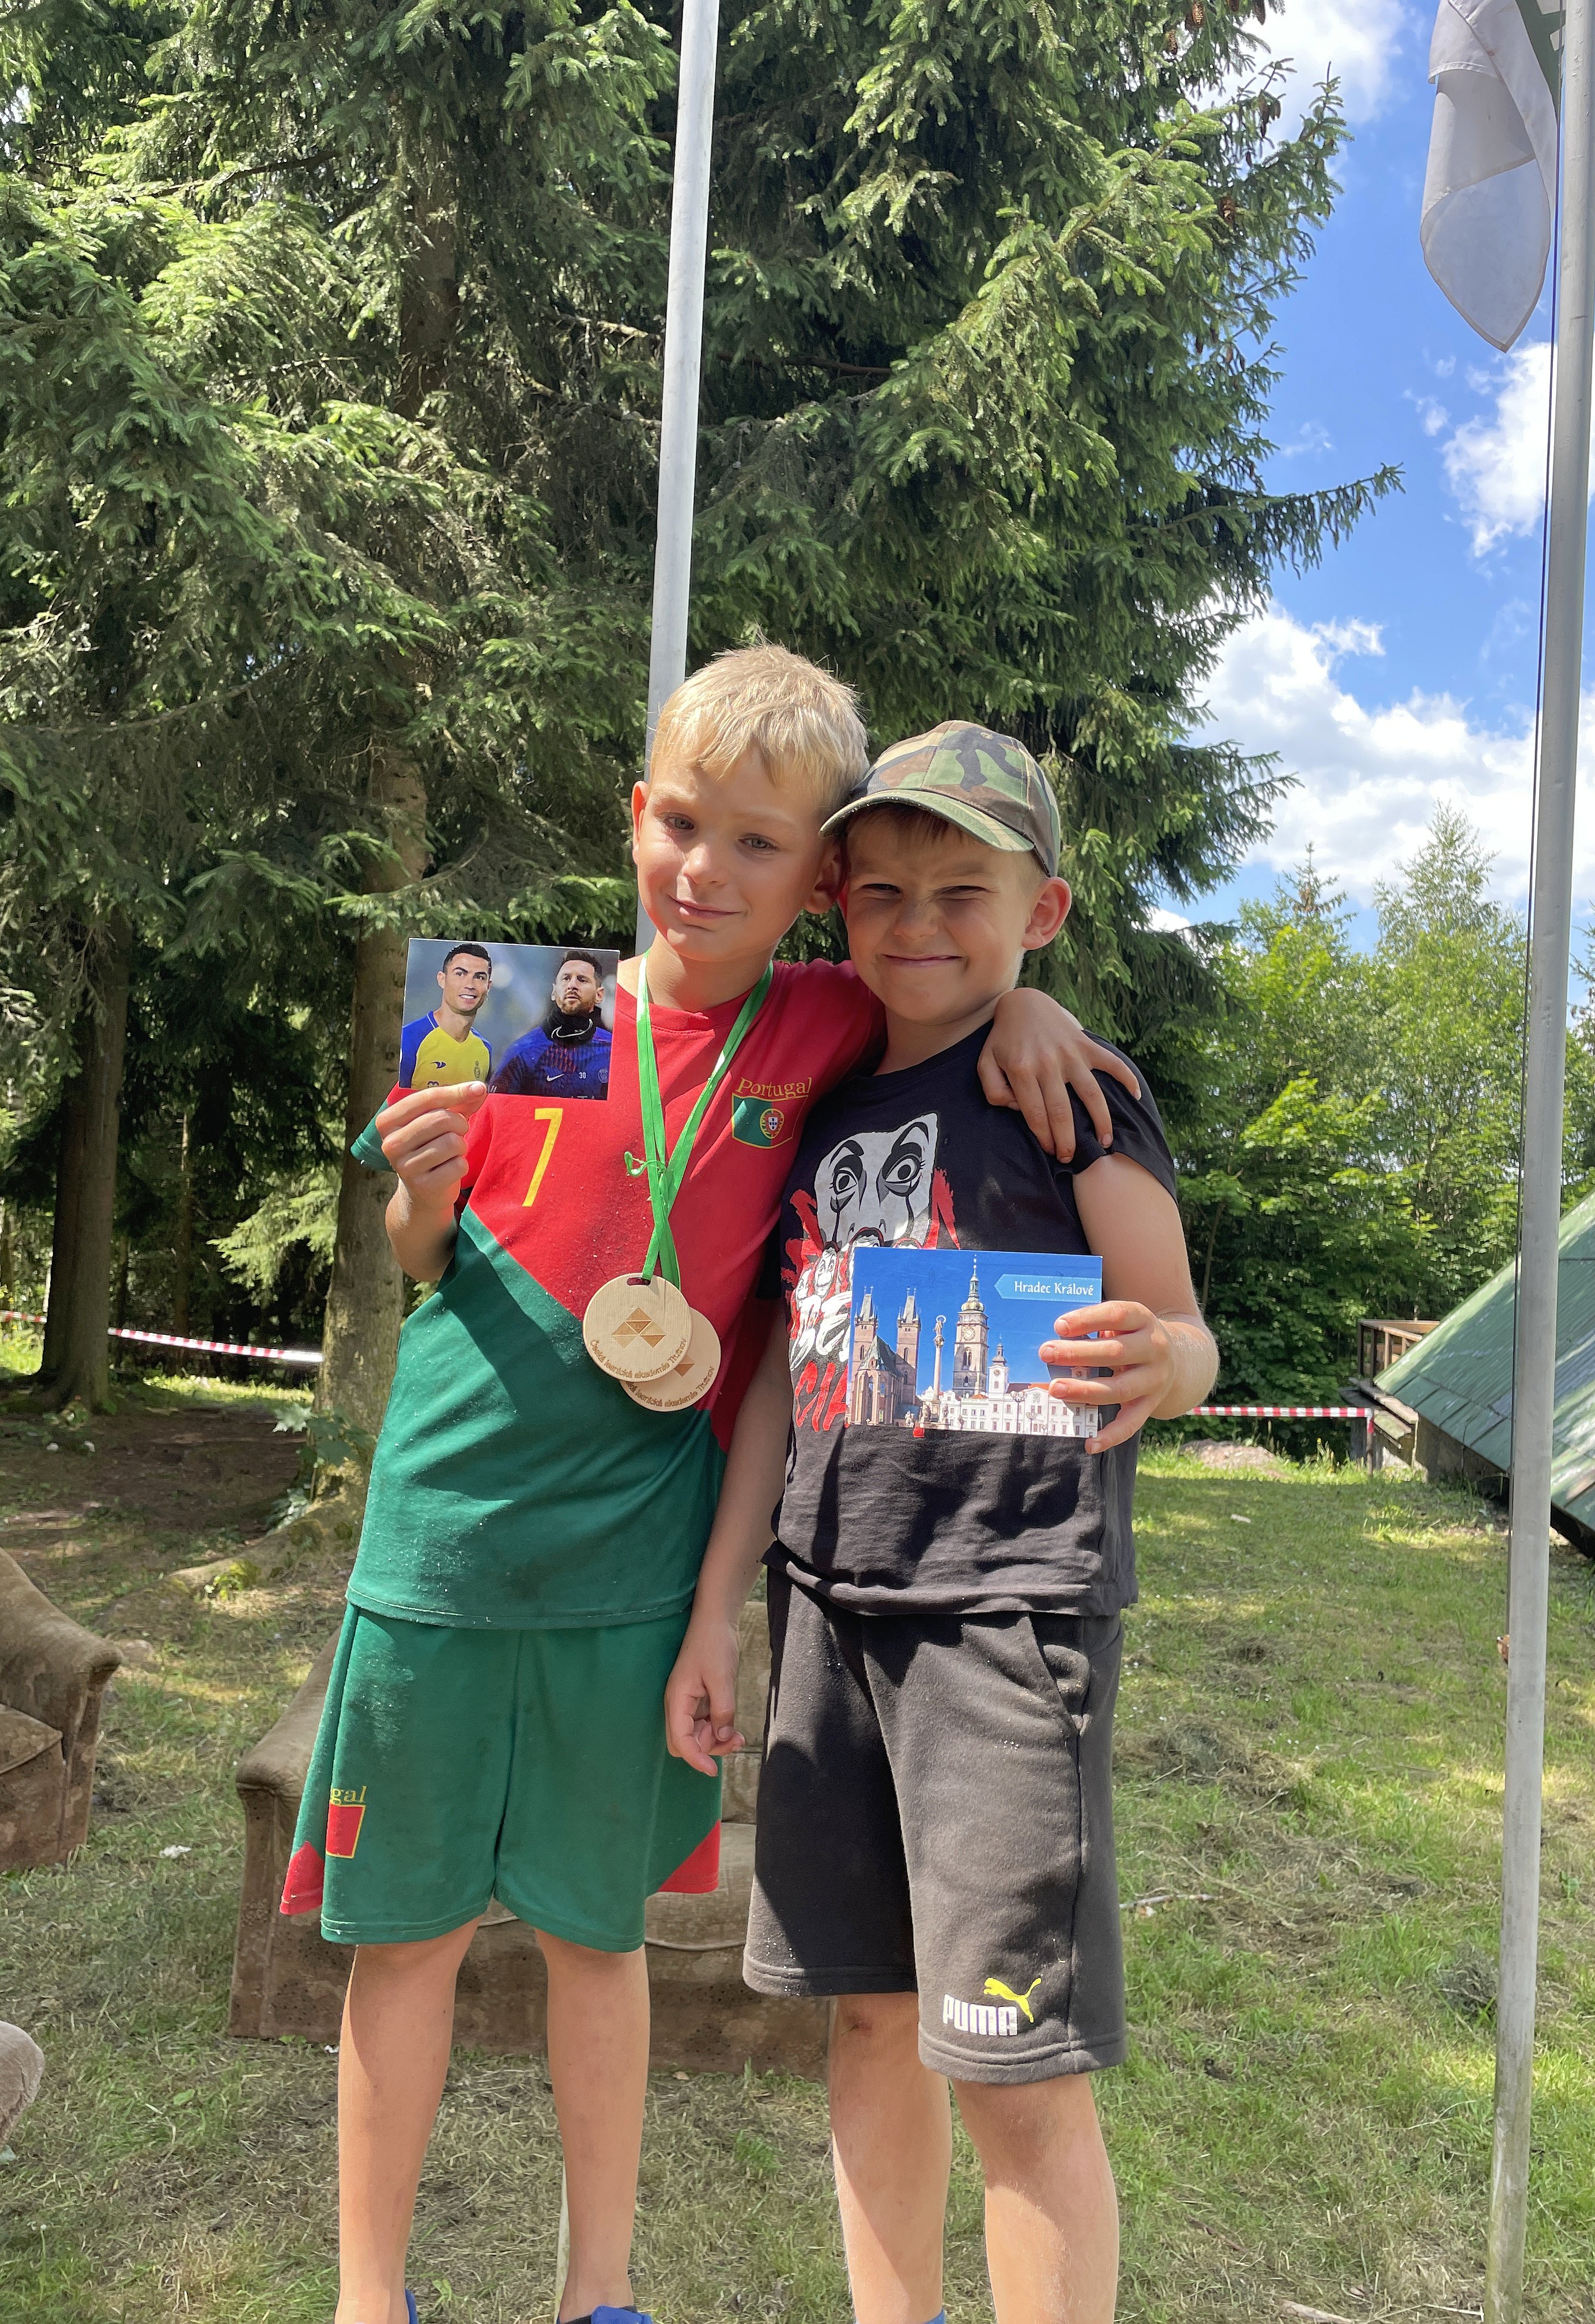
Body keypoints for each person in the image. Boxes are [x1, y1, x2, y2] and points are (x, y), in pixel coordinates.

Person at [281, 651, 1142, 2324]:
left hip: (637, 1569)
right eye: (683, 824)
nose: (706, 869)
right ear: (637, 819)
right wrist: (416, 1199)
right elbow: (426, 1258)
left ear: (815, 879)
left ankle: (599, 2294)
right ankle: (367, 2301)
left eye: (759, 843)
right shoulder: (524, 1015)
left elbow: (954, 991)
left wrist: (1037, 1009)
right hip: (442, 1552)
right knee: (409, 1939)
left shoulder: (822, 1022)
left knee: (597, 1936)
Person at [666, 723, 1221, 2324]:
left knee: (1009, 2066)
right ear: (837, 900)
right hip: (825, 1620)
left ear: (1041, 913)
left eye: (961, 892)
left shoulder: (1072, 1094)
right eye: (883, 890)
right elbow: (780, 1381)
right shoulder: (821, 1106)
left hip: (1004, 1625)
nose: (917, 924)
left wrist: (1166, 1361)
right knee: (864, 2023)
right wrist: (719, 1609)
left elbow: (1185, 1328)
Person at [491, 949, 614, 1098]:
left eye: (582, 980)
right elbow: (496, 1109)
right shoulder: (522, 1052)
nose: (572, 985)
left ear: (599, 995)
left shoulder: (614, 1050)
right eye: (566, 978)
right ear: (554, 992)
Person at [399, 944, 494, 1087]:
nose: (470, 985)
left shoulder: (484, 1049)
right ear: (442, 980)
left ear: (488, 987)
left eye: (480, 977)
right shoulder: (409, 1039)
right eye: (460, 974)